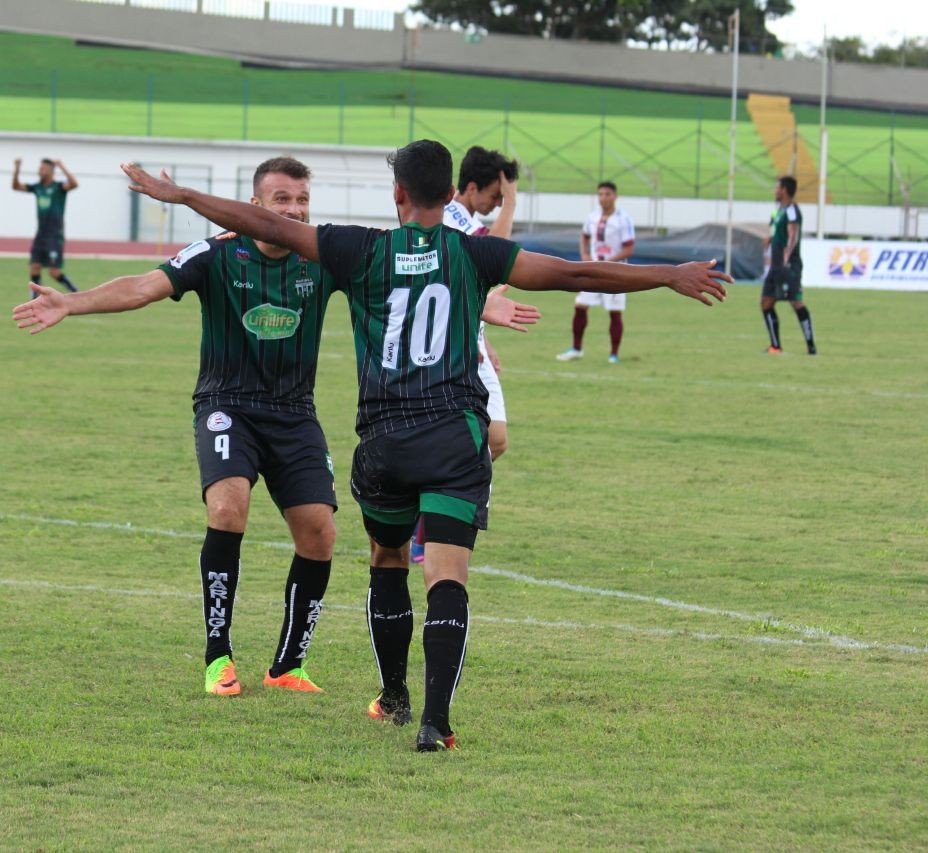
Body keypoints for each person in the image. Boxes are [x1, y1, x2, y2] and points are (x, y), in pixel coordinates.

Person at [122, 141, 727, 752]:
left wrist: (183, 195)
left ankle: (393, 697)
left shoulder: (362, 248)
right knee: (447, 575)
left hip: (385, 439)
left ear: (398, 194)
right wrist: (667, 274)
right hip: (453, 436)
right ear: (452, 195)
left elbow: (268, 226)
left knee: (387, 559)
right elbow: (575, 273)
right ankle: (436, 723)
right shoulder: (476, 252)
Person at [13, 157, 344, 697]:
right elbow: (143, 286)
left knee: (320, 532)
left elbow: (391, 269)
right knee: (228, 508)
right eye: (282, 199)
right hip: (227, 405)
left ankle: (288, 665)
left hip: (295, 412)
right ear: (254, 206)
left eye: (302, 199)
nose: (294, 210)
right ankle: (219, 657)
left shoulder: (324, 257)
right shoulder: (216, 253)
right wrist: (72, 302)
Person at [410, 146, 523, 564]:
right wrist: (511, 206)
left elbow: (472, 286)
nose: (496, 203)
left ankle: (427, 516)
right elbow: (494, 258)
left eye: (501, 198)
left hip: (469, 339)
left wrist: (483, 339)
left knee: (497, 441)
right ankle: (429, 525)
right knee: (477, 439)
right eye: (494, 195)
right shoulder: (452, 216)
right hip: (448, 347)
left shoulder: (466, 219)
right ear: (470, 187)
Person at [556, 181, 636, 364]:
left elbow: (629, 248)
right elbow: (584, 236)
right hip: (592, 271)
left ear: (615, 196)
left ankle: (613, 354)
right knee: (580, 306)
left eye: (607, 194)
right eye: (600, 194)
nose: (603, 198)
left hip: (615, 274)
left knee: (615, 312)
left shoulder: (624, 219)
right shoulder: (592, 217)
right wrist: (584, 255)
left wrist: (609, 262)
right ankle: (576, 349)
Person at [761, 175, 815, 355]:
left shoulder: (792, 210)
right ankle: (775, 346)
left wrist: (787, 253)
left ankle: (811, 347)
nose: (775, 191)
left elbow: (793, 234)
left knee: (796, 302)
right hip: (776, 266)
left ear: (784, 190)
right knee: (766, 302)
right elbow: (775, 229)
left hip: (789, 265)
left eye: (777, 187)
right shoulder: (778, 210)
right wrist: (769, 238)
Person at [13, 157, 77, 293]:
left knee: (54, 272)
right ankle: (35, 298)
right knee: (34, 267)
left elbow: (74, 184)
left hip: (55, 236)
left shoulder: (59, 187)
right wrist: (17, 169)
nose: (39, 171)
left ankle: (75, 292)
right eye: (39, 168)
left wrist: (61, 166)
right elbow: (16, 186)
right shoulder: (37, 188)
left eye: (43, 168)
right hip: (40, 235)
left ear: (51, 171)